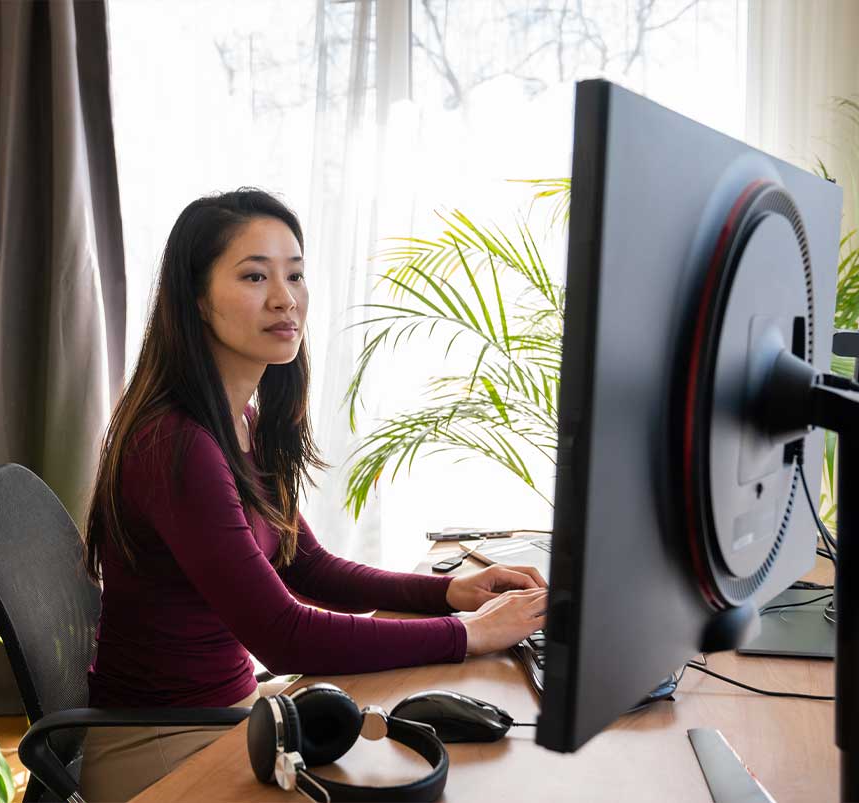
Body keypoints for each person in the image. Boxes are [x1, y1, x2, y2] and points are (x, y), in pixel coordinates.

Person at [78, 188, 548, 800]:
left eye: (295, 275)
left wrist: (450, 592)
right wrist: (469, 633)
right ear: (195, 298)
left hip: (229, 711)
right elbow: (283, 634)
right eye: (254, 276)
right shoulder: (175, 443)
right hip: (163, 747)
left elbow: (307, 563)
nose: (285, 298)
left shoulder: (239, 418)